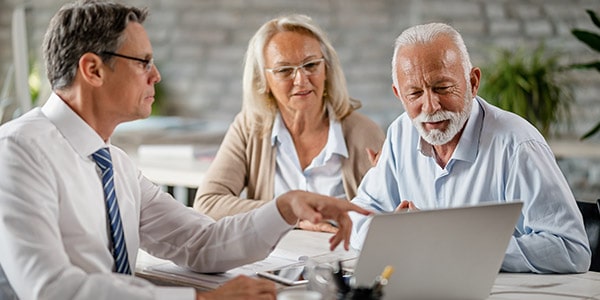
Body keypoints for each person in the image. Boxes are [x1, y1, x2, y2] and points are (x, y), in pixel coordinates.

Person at [0, 1, 371, 299]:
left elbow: (202, 242)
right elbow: (49, 288)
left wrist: (287, 207)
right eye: (143, 61)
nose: (156, 75)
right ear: (93, 70)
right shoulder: (18, 151)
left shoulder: (115, 165)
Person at [349, 22, 591, 273]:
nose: (430, 106)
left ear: (473, 82)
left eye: (442, 88)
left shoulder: (518, 144)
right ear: (399, 95)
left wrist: (453, 243)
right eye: (415, 94)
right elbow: (358, 215)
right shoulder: (401, 132)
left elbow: (571, 249)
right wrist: (394, 235)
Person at [192, 14, 385, 233]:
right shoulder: (250, 127)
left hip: (341, 261)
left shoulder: (364, 132)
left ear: (327, 70)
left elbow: (386, 215)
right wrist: (292, 214)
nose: (301, 80)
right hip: (273, 262)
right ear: (262, 81)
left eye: (311, 65)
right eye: (284, 70)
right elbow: (208, 203)